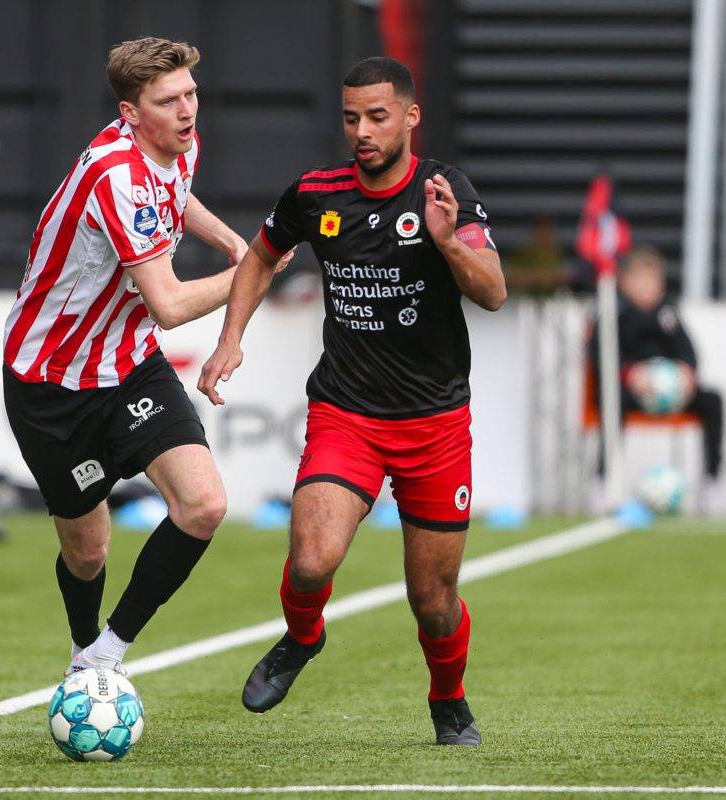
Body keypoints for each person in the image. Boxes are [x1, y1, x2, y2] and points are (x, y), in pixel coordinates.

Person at [198, 57, 505, 746]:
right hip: (347, 414)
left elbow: (493, 291)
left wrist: (447, 241)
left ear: (410, 117)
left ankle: (448, 700)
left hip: (434, 423)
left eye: (377, 116)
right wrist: (230, 339)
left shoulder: (444, 190)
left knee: (433, 602)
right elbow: (260, 255)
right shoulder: (316, 194)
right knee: (311, 560)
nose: (362, 131)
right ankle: (303, 637)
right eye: (350, 118)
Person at [2, 38, 289, 675]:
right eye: (168, 101)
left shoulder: (176, 142)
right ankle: (83, 649)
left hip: (130, 362)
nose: (187, 110)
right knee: (88, 551)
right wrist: (256, 270)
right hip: (52, 381)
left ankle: (105, 657)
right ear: (131, 114)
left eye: (191, 94)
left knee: (204, 505)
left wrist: (233, 243)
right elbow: (168, 305)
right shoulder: (117, 178)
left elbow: (177, 193)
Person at [588, 246, 725, 480]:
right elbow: (600, 356)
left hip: (671, 393)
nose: (647, 287)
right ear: (625, 282)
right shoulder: (613, 314)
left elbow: (688, 351)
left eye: (651, 280)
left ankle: (713, 479)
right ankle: (604, 479)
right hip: (629, 392)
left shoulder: (667, 314)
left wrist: (686, 372)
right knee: (612, 401)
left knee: (713, 400)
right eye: (640, 280)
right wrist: (629, 374)